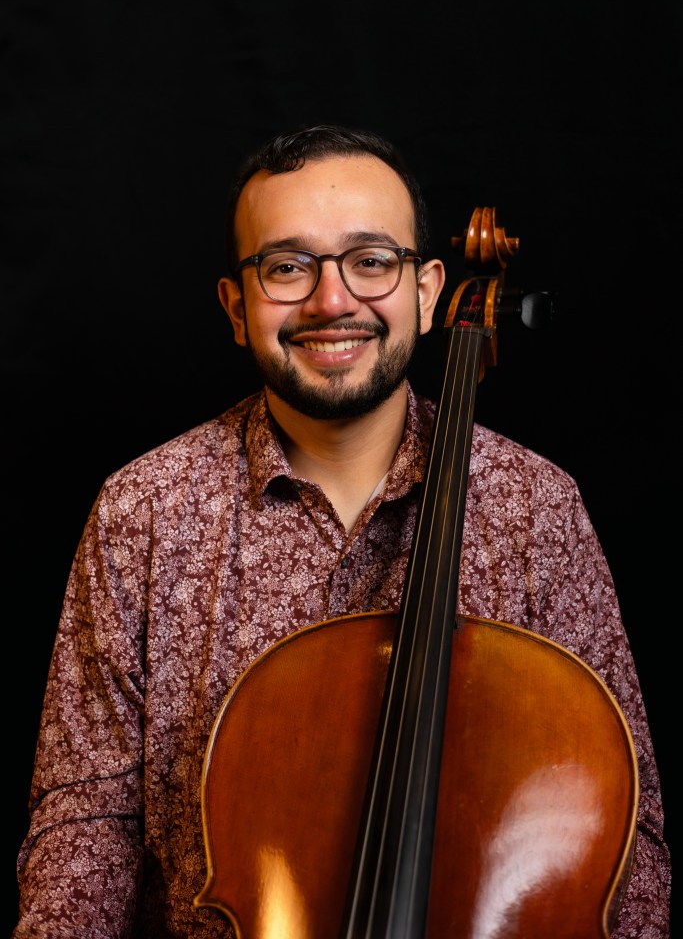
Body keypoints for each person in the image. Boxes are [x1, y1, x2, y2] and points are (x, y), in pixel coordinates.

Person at [13, 124, 670, 938]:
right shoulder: (141, 510)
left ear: (426, 292)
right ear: (236, 306)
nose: (331, 301)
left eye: (370, 261)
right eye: (287, 267)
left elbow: (626, 837)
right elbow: (86, 827)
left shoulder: (537, 508)